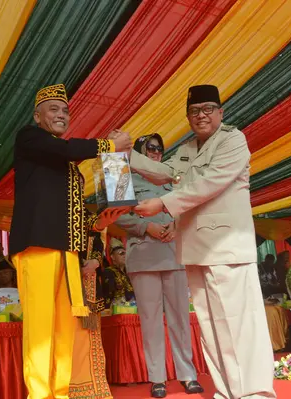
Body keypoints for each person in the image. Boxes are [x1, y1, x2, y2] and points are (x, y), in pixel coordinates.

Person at [130, 84, 275, 399]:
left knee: (238, 323)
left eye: (208, 108)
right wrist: (124, 153)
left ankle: (255, 392)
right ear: (188, 117)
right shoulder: (187, 148)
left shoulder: (232, 139)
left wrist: (163, 204)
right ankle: (227, 390)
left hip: (226, 247)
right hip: (196, 249)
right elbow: (164, 171)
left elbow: (211, 183)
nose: (201, 115)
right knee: (211, 327)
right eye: (194, 111)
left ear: (220, 113)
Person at [9, 83, 131, 399]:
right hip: (37, 249)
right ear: (37, 116)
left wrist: (97, 224)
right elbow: (67, 149)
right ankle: (39, 395)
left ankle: (60, 394)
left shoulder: (67, 167)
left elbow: (71, 213)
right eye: (54, 109)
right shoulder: (30, 138)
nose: (61, 115)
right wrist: (108, 144)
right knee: (40, 331)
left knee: (64, 330)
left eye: (65, 111)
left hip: (67, 253)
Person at [115, 133, 202, 397]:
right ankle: (157, 378)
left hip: (175, 252)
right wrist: (146, 227)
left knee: (180, 318)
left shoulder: (172, 175)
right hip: (143, 255)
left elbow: (190, 206)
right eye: (149, 148)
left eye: (159, 149)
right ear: (138, 151)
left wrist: (177, 226)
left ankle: (187, 375)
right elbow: (115, 212)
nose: (155, 152)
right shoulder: (120, 172)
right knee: (150, 319)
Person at [69, 231, 112, 399]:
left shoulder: (91, 226)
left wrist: (95, 261)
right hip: (65, 292)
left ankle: (92, 387)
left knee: (89, 338)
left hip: (90, 297)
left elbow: (97, 247)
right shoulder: (57, 223)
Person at [102, 240, 135, 307]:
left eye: (125, 253)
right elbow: (108, 296)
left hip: (132, 308)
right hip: (116, 310)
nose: (124, 256)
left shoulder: (129, 273)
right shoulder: (108, 272)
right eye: (121, 253)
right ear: (112, 257)